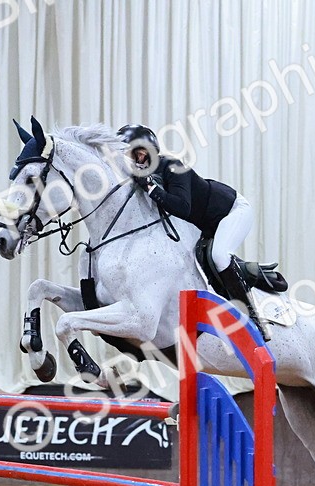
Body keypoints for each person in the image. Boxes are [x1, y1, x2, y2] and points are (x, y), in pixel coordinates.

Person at [117, 124, 274, 338]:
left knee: (219, 255)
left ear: (149, 149)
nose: (134, 160)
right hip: (207, 223)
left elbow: (183, 207)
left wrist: (150, 188)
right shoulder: (143, 176)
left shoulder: (172, 165)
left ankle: (253, 318)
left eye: (136, 152)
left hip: (232, 211)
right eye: (129, 155)